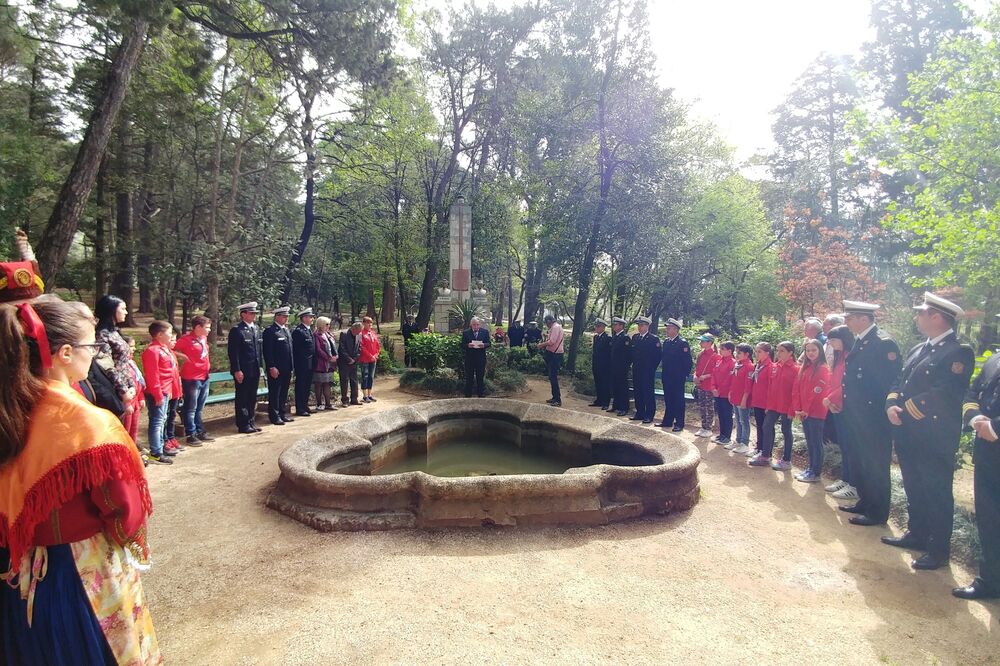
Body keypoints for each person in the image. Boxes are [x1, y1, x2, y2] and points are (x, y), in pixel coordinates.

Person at [0, 296, 160, 664]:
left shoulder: (11, 406)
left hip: (19, 569)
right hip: (80, 573)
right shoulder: (85, 423)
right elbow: (123, 510)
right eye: (92, 346)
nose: (95, 354)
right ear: (66, 353)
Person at [883, 293, 974, 569]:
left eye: (920, 313)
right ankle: (917, 534)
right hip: (909, 431)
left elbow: (945, 393)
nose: (916, 317)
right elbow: (900, 380)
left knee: (936, 491)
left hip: (934, 436)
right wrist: (891, 404)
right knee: (914, 485)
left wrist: (905, 409)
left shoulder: (958, 352)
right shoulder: (919, 348)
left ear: (936, 317)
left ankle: (937, 550)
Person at [838, 300, 901, 527]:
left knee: (875, 464)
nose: (846, 322)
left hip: (873, 417)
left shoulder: (883, 343)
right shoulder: (862, 340)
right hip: (858, 415)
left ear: (864, 319)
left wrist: (871, 412)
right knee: (862, 461)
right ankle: (865, 501)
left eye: (849, 318)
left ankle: (877, 511)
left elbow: (888, 382)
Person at [954, 313, 1000, 600]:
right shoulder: (995, 359)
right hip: (988, 452)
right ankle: (990, 579)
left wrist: (996, 426)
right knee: (990, 517)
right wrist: (974, 418)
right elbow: (972, 392)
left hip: (993, 436)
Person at [749, 341, 798, 471]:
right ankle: (766, 456)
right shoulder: (775, 367)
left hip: (787, 406)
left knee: (786, 430)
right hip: (774, 405)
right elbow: (771, 388)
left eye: (782, 351)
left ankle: (786, 460)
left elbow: (796, 391)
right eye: (777, 350)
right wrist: (768, 405)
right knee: (766, 426)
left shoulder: (796, 369)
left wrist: (792, 409)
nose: (778, 353)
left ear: (790, 352)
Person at [822, 325, 857, 500]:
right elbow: (833, 380)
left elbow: (848, 384)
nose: (831, 344)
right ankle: (846, 478)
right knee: (844, 445)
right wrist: (830, 399)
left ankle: (854, 484)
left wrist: (831, 398)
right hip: (836, 405)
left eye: (833, 340)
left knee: (851, 447)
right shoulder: (840, 356)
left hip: (847, 406)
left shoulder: (851, 357)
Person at [93, 295, 138, 436]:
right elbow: (107, 366)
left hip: (124, 388)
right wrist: (123, 390)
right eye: (123, 309)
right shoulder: (102, 335)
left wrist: (131, 385)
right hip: (112, 389)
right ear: (112, 310)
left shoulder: (115, 333)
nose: (126, 312)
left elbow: (124, 363)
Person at [142, 321, 182, 464]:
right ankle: (156, 452)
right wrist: (158, 394)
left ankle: (160, 447)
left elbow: (170, 372)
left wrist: (170, 391)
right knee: (157, 421)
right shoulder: (152, 351)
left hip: (165, 390)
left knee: (162, 420)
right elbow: (152, 375)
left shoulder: (163, 349)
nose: (171, 336)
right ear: (159, 334)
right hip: (158, 392)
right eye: (169, 333)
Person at [792, 339, 831, 483]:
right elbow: (797, 388)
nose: (810, 353)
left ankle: (815, 472)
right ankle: (810, 469)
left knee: (816, 442)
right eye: (808, 350)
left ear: (820, 351)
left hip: (816, 411)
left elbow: (818, 391)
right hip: (804, 411)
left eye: (814, 350)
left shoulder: (823, 369)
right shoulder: (805, 367)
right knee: (810, 441)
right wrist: (798, 408)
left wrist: (806, 410)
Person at [173, 315, 214, 446]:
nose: (209, 330)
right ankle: (191, 434)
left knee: (199, 407)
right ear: (198, 327)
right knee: (191, 407)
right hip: (192, 378)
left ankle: (199, 430)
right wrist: (182, 355)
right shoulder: (186, 340)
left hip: (204, 376)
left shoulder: (203, 338)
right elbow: (169, 349)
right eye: (207, 327)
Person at [227, 301, 263, 434]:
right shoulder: (237, 330)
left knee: (252, 396)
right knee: (242, 397)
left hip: (254, 369)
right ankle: (243, 424)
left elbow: (258, 350)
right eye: (251, 313)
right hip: (243, 370)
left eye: (254, 313)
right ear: (243, 314)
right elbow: (233, 353)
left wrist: (261, 366)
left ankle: (251, 421)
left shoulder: (256, 328)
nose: (254, 315)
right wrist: (237, 370)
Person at [658, 318, 693, 432]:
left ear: (676, 329)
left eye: (669, 328)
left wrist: (683, 375)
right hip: (667, 376)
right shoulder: (667, 342)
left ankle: (679, 423)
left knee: (678, 400)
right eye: (667, 328)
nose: (667, 330)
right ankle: (667, 421)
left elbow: (688, 362)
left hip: (677, 377)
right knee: (668, 399)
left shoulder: (682, 343)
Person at [262, 306, 293, 425]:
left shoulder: (286, 330)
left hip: (287, 367)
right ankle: (274, 416)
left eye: (287, 316)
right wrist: (271, 366)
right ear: (277, 317)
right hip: (276, 368)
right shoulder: (270, 331)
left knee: (283, 392)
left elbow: (289, 350)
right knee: (275, 392)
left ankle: (282, 413)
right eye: (284, 316)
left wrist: (291, 366)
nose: (286, 318)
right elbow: (268, 351)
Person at [630, 316, 661, 424]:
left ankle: (649, 415)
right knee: (638, 392)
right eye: (639, 325)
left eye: (642, 325)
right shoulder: (635, 337)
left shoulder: (653, 339)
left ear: (647, 326)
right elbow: (633, 353)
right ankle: (639, 413)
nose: (640, 327)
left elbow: (657, 357)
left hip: (647, 371)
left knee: (648, 392)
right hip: (637, 369)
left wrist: (651, 368)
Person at [746, 342, 773, 458]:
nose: (757, 354)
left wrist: (769, 404)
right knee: (759, 425)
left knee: (766, 427)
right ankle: (759, 447)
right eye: (756, 351)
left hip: (765, 402)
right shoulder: (758, 365)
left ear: (767, 353)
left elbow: (771, 387)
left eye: (759, 352)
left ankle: (766, 451)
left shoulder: (770, 366)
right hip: (757, 400)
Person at [729, 343, 755, 454]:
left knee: (744, 421)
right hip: (735, 396)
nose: (736, 354)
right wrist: (730, 392)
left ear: (747, 354)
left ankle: (745, 443)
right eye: (736, 352)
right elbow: (734, 381)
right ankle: (738, 440)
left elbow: (748, 386)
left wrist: (744, 399)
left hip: (743, 398)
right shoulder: (738, 364)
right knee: (738, 419)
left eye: (739, 353)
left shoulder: (749, 366)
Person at [709, 341, 736, 444]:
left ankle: (727, 436)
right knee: (720, 414)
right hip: (717, 393)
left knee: (727, 414)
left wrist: (719, 390)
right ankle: (722, 434)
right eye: (720, 348)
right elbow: (714, 374)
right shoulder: (719, 361)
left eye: (723, 349)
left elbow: (729, 379)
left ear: (730, 351)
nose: (720, 351)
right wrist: (713, 388)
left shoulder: (733, 363)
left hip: (725, 393)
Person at [292, 308, 317, 415]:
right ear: (304, 318)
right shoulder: (299, 331)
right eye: (310, 317)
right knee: (301, 386)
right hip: (302, 364)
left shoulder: (308, 330)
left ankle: (305, 405)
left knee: (307, 386)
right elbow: (296, 350)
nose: (312, 319)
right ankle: (300, 408)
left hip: (310, 364)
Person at [693, 334, 718, 438]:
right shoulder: (700, 354)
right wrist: (695, 376)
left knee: (709, 407)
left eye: (703, 341)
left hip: (709, 385)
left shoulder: (716, 356)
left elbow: (716, 372)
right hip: (700, 384)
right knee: (702, 406)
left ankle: (708, 428)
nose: (700, 343)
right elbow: (697, 368)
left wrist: (706, 376)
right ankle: (703, 426)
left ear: (709, 343)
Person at [313, 316, 339, 410]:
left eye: (329, 324)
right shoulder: (316, 335)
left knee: (327, 383)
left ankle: (328, 404)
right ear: (321, 325)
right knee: (319, 384)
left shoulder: (328, 334)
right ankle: (319, 404)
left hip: (329, 364)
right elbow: (318, 350)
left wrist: (335, 356)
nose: (328, 326)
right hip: (321, 364)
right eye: (327, 324)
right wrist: (328, 358)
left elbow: (333, 347)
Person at [609, 317, 633, 416]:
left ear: (621, 326)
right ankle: (616, 405)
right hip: (614, 366)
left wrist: (626, 366)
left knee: (623, 387)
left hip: (622, 367)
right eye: (614, 325)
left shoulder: (625, 338)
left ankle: (624, 408)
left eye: (616, 325)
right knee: (615, 386)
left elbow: (629, 355)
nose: (614, 326)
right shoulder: (615, 337)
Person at [462, 317, 491, 398]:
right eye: (474, 325)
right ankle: (468, 396)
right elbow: (462, 345)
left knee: (480, 377)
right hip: (470, 359)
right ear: (471, 325)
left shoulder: (485, 332)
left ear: (479, 325)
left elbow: (489, 343)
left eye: (477, 325)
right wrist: (468, 345)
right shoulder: (466, 333)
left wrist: (484, 345)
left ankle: (480, 395)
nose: (476, 326)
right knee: (469, 378)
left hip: (480, 358)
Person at [540, 314, 565, 406]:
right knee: (551, 376)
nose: (546, 325)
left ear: (549, 321)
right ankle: (554, 397)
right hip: (554, 353)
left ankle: (557, 399)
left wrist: (541, 345)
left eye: (546, 323)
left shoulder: (555, 327)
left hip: (555, 354)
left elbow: (552, 342)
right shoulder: (556, 327)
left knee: (553, 376)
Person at [338, 322, 363, 406]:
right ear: (353, 329)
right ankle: (345, 400)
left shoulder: (359, 335)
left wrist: (355, 359)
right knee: (344, 381)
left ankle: (354, 399)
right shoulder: (344, 334)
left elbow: (359, 348)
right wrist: (349, 359)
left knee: (354, 381)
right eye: (358, 331)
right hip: (344, 362)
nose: (359, 333)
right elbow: (341, 348)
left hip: (354, 362)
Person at [589, 319, 612, 408]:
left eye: (598, 326)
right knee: (598, 382)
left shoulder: (607, 338)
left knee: (605, 384)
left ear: (603, 327)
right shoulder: (596, 337)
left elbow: (609, 353)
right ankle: (599, 400)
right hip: (596, 364)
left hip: (604, 365)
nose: (596, 328)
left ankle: (605, 402)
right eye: (596, 326)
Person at [358, 316, 381, 404]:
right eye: (368, 322)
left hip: (373, 359)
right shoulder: (361, 334)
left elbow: (377, 345)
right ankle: (365, 396)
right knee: (365, 376)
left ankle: (369, 394)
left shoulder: (373, 333)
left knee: (371, 376)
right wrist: (370, 355)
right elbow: (362, 347)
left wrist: (376, 354)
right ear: (363, 323)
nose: (370, 324)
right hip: (365, 359)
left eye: (371, 322)